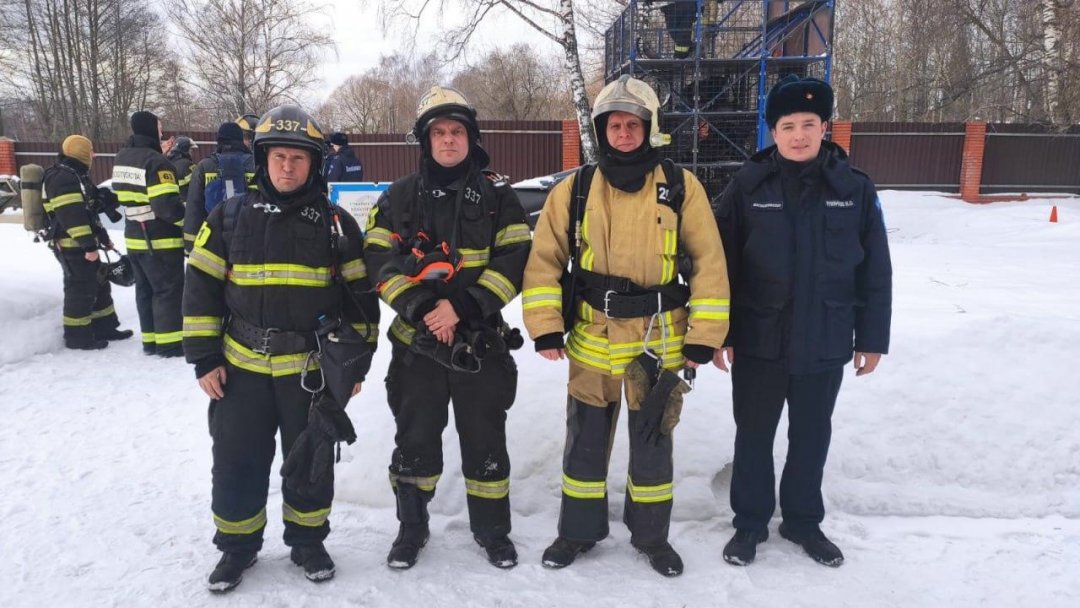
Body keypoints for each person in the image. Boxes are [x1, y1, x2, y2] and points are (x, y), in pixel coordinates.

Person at [521, 75, 730, 577]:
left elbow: (709, 264)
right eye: (613, 124)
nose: (623, 133)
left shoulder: (680, 186)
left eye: (632, 124)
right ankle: (577, 532)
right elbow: (544, 259)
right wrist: (546, 327)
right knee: (585, 445)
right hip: (592, 336)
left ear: (649, 128)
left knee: (654, 447)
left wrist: (703, 339)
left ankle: (652, 538)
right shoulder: (575, 189)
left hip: (659, 340)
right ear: (601, 129)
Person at [183, 104, 380, 592]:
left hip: (310, 374)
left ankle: (308, 541)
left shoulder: (336, 225)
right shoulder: (227, 217)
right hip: (240, 369)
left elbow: (362, 304)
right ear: (262, 160)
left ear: (313, 163)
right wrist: (204, 358)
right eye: (278, 157)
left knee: (310, 461)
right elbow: (201, 289)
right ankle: (237, 548)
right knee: (237, 461)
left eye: (298, 157)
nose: (287, 166)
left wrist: (355, 367)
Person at [713, 75, 892, 568]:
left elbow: (875, 269)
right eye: (787, 125)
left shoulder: (853, 189)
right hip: (758, 340)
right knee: (753, 437)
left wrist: (872, 338)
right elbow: (720, 265)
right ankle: (749, 524)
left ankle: (802, 522)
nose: (798, 135)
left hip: (825, 339)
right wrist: (720, 334)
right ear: (772, 131)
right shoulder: (748, 185)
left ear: (824, 127)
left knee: (811, 437)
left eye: (808, 125)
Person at [363, 85, 530, 570]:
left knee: (486, 441)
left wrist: (461, 307)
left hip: (481, 342)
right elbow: (376, 260)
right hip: (417, 347)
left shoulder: (499, 196)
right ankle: (411, 531)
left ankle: (493, 533)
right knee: (414, 442)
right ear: (426, 140)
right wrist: (418, 308)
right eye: (440, 132)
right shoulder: (397, 197)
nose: (449, 140)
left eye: (457, 131)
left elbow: (516, 260)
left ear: (470, 138)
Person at [42, 135, 133, 349]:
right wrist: (89, 246)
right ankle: (78, 337)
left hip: (83, 244)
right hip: (72, 245)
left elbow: (89, 213)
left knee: (100, 284)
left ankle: (106, 328)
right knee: (79, 289)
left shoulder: (77, 175)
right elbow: (71, 216)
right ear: (81, 153)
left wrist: (103, 239)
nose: (94, 155)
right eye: (90, 151)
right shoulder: (62, 177)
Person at [112, 111, 186, 357]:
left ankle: (151, 341)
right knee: (167, 290)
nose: (162, 132)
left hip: (134, 236)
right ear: (151, 128)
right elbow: (167, 206)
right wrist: (189, 221)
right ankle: (171, 343)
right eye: (159, 127)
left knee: (144, 290)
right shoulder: (157, 162)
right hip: (159, 238)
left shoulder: (122, 157)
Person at [182, 122, 256, 254]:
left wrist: (190, 246)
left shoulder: (204, 166)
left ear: (219, 140)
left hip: (214, 239)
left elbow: (194, 208)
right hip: (250, 238)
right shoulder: (256, 165)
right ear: (240, 140)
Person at [167, 136, 199, 202]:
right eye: (190, 149)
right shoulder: (187, 165)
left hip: (172, 203)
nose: (191, 152)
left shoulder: (168, 162)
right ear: (185, 150)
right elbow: (197, 184)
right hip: (186, 203)